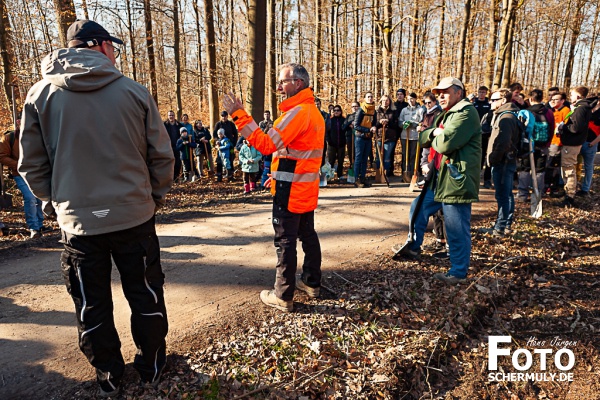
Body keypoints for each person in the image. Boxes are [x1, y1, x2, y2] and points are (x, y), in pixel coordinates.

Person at [18, 20, 174, 396]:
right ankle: (151, 365)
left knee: (91, 302)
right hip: (134, 215)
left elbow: (31, 165)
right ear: (100, 46)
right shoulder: (134, 92)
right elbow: (162, 157)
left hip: (79, 224)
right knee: (145, 294)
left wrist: (57, 203)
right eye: (115, 48)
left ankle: (108, 374)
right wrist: (153, 197)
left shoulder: (39, 95)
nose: (117, 55)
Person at [223, 62, 324, 312]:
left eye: (283, 81)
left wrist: (239, 114)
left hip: (291, 192)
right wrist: (276, 175)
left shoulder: (298, 112)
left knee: (285, 241)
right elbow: (295, 155)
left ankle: (282, 295)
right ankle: (311, 283)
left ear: (298, 83)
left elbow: (266, 144)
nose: (278, 86)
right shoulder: (312, 112)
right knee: (307, 235)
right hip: (304, 187)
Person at [395, 77, 481, 285]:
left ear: (459, 92)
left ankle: (458, 272)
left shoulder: (466, 112)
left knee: (456, 226)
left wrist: (432, 135)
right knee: (418, 208)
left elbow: (445, 144)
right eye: (438, 92)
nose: (440, 96)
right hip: (439, 177)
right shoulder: (445, 114)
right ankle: (414, 247)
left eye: (446, 91)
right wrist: (434, 131)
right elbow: (423, 137)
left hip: (456, 179)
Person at [0, 118, 45, 238]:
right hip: (19, 174)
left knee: (39, 198)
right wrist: (18, 165)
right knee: (30, 198)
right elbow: (2, 156)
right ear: (18, 122)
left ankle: (40, 225)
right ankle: (34, 228)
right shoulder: (9, 138)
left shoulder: (36, 136)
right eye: (21, 121)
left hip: (36, 173)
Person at [485, 89, 521, 237]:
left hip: (503, 161)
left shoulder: (506, 117)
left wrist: (494, 157)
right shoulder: (505, 115)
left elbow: (504, 142)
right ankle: (505, 224)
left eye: (494, 100)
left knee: (503, 195)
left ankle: (500, 228)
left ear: (503, 101)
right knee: (506, 194)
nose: (490, 102)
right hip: (505, 161)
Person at [558, 86, 595, 207]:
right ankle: (568, 193)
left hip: (572, 143)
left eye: (572, 95)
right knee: (569, 167)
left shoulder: (580, 109)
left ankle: (569, 196)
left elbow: (575, 128)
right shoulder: (583, 107)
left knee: (568, 169)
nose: (571, 97)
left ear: (578, 96)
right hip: (574, 142)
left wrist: (563, 127)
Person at [516, 89, 555, 201]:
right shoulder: (548, 112)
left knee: (524, 168)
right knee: (540, 170)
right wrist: (547, 143)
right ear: (542, 99)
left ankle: (522, 194)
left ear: (531, 99)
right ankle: (537, 194)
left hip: (528, 146)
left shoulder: (525, 111)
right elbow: (551, 129)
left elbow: (520, 129)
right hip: (543, 145)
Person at [546, 92, 571, 196]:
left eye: (556, 99)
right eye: (552, 99)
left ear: (562, 101)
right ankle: (548, 186)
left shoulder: (565, 111)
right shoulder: (551, 110)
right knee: (549, 164)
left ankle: (552, 187)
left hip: (557, 142)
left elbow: (564, 126)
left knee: (553, 165)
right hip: (549, 141)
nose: (553, 101)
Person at [354, 92, 377, 187]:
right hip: (360, 137)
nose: (370, 98)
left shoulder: (374, 111)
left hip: (368, 138)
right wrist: (368, 129)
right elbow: (356, 125)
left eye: (371, 97)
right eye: (368, 97)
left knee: (365, 159)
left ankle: (363, 178)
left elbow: (374, 123)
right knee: (358, 158)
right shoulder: (361, 110)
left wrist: (375, 127)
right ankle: (356, 179)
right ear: (364, 98)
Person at [578, 99, 600, 196]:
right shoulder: (585, 110)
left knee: (588, 167)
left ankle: (585, 189)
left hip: (590, 144)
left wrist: (592, 143)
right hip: (579, 143)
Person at [398, 92, 421, 180]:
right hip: (405, 136)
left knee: (413, 155)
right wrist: (404, 123)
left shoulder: (420, 110)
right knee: (405, 155)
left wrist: (413, 124)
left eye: (412, 99)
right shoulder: (404, 110)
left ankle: (413, 173)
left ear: (415, 99)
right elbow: (400, 122)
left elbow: (421, 122)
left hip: (415, 136)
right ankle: (405, 174)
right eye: (408, 99)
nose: (410, 101)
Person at [374, 94, 398, 176]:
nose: (385, 102)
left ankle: (385, 175)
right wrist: (379, 122)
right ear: (381, 101)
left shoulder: (393, 112)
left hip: (390, 138)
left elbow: (396, 125)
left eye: (387, 100)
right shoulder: (376, 112)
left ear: (390, 102)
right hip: (379, 137)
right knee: (378, 157)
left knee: (387, 158)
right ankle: (378, 174)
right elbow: (373, 124)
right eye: (383, 100)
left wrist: (388, 122)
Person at [327, 105, 347, 180]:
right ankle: (330, 176)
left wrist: (345, 141)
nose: (336, 112)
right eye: (334, 110)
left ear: (340, 111)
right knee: (331, 160)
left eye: (338, 110)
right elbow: (327, 132)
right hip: (332, 144)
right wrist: (329, 141)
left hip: (341, 144)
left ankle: (340, 175)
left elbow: (346, 130)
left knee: (340, 160)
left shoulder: (344, 120)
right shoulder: (330, 120)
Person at [164, 110, 183, 180]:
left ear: (174, 116)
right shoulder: (164, 125)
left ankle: (176, 176)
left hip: (177, 146)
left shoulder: (179, 125)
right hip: (168, 146)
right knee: (169, 162)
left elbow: (183, 133)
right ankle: (169, 177)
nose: (171, 117)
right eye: (169, 115)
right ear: (168, 116)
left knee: (178, 162)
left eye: (172, 115)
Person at [342, 102, 360, 173]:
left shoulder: (362, 115)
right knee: (351, 153)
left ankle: (358, 169)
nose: (354, 108)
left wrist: (355, 124)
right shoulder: (349, 116)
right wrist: (350, 123)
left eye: (356, 106)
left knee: (358, 154)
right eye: (353, 106)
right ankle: (352, 165)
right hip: (350, 137)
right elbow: (343, 127)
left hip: (359, 137)